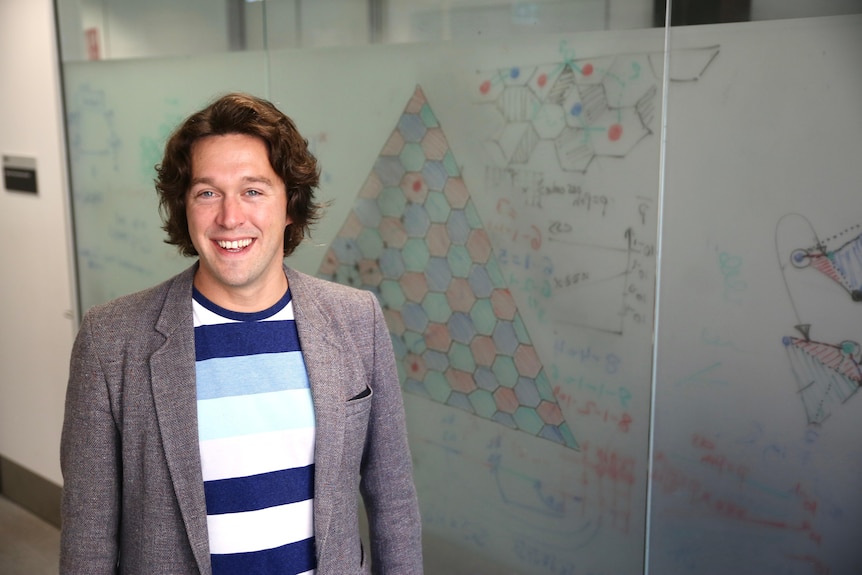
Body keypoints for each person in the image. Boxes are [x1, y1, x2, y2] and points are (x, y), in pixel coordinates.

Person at [60, 93, 423, 575]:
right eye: (207, 193)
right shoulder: (111, 339)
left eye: (253, 190)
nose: (230, 218)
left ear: (290, 205)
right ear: (184, 210)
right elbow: (88, 536)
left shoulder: (356, 319)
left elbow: (393, 499)